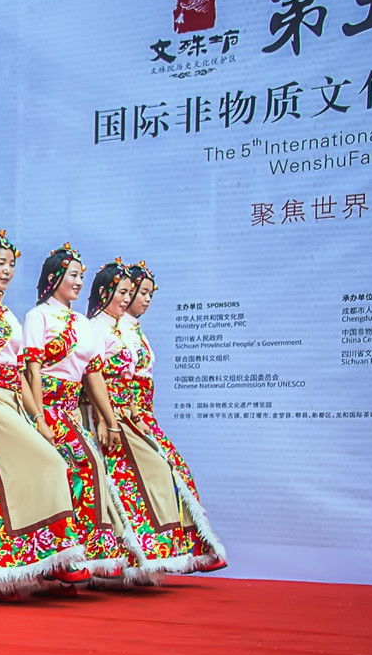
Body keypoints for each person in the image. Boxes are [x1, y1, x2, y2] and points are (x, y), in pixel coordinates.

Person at [0, 232, 89, 595]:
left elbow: (21, 372)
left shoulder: (7, 313)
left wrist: (38, 417)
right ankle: (58, 553)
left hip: (11, 398)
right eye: (0, 263)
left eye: (11, 264)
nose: (7, 270)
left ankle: (36, 556)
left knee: (27, 472)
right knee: (47, 464)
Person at [22, 244, 144, 586]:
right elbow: (32, 370)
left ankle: (87, 553)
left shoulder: (82, 323)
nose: (78, 282)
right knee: (73, 466)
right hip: (46, 405)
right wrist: (38, 418)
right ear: (55, 276)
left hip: (72, 408)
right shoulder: (38, 316)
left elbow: (93, 376)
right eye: (72, 275)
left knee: (90, 465)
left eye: (80, 276)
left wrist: (110, 420)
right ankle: (64, 553)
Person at [85, 260, 193, 581]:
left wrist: (135, 411)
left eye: (138, 293)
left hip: (130, 413)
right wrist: (106, 419)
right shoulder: (95, 327)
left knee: (158, 472)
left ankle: (150, 554)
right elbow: (92, 378)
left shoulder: (123, 329)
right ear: (106, 292)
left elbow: (133, 379)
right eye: (127, 292)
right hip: (105, 414)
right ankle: (126, 558)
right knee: (127, 481)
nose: (134, 298)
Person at [125, 262, 228, 572]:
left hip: (144, 411)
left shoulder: (134, 329)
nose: (144, 299)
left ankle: (192, 548)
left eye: (147, 294)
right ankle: (153, 552)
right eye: (138, 293)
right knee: (150, 475)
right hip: (126, 412)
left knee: (175, 470)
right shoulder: (112, 329)